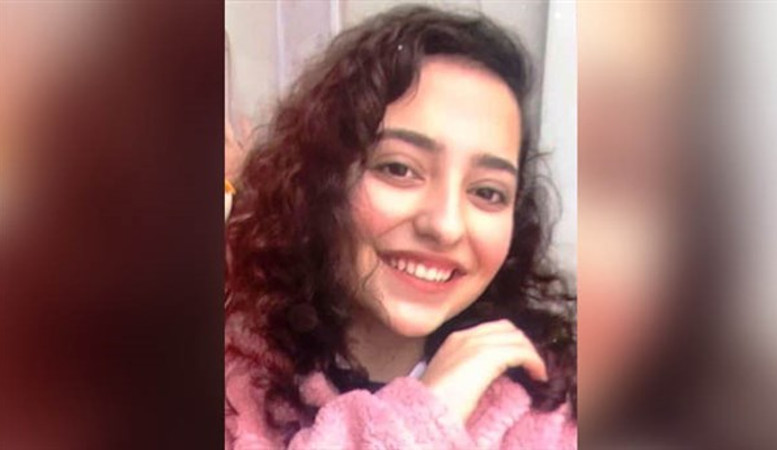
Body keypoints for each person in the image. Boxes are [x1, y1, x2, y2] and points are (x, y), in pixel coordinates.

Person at [224, 6, 576, 449]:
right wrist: (420, 418)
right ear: (318, 179)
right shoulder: (229, 385)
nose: (445, 226)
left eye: (488, 192)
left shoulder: (548, 413)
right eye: (399, 169)